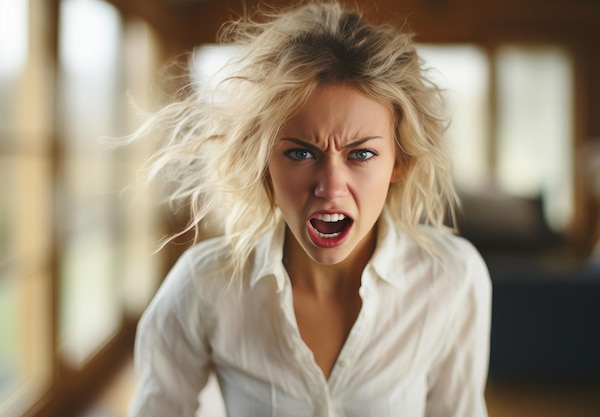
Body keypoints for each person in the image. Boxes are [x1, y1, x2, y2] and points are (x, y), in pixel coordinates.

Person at [128, 2, 492, 416]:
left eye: (361, 154)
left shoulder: (452, 279)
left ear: (400, 162)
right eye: (301, 152)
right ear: (263, 163)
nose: (330, 186)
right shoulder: (204, 286)